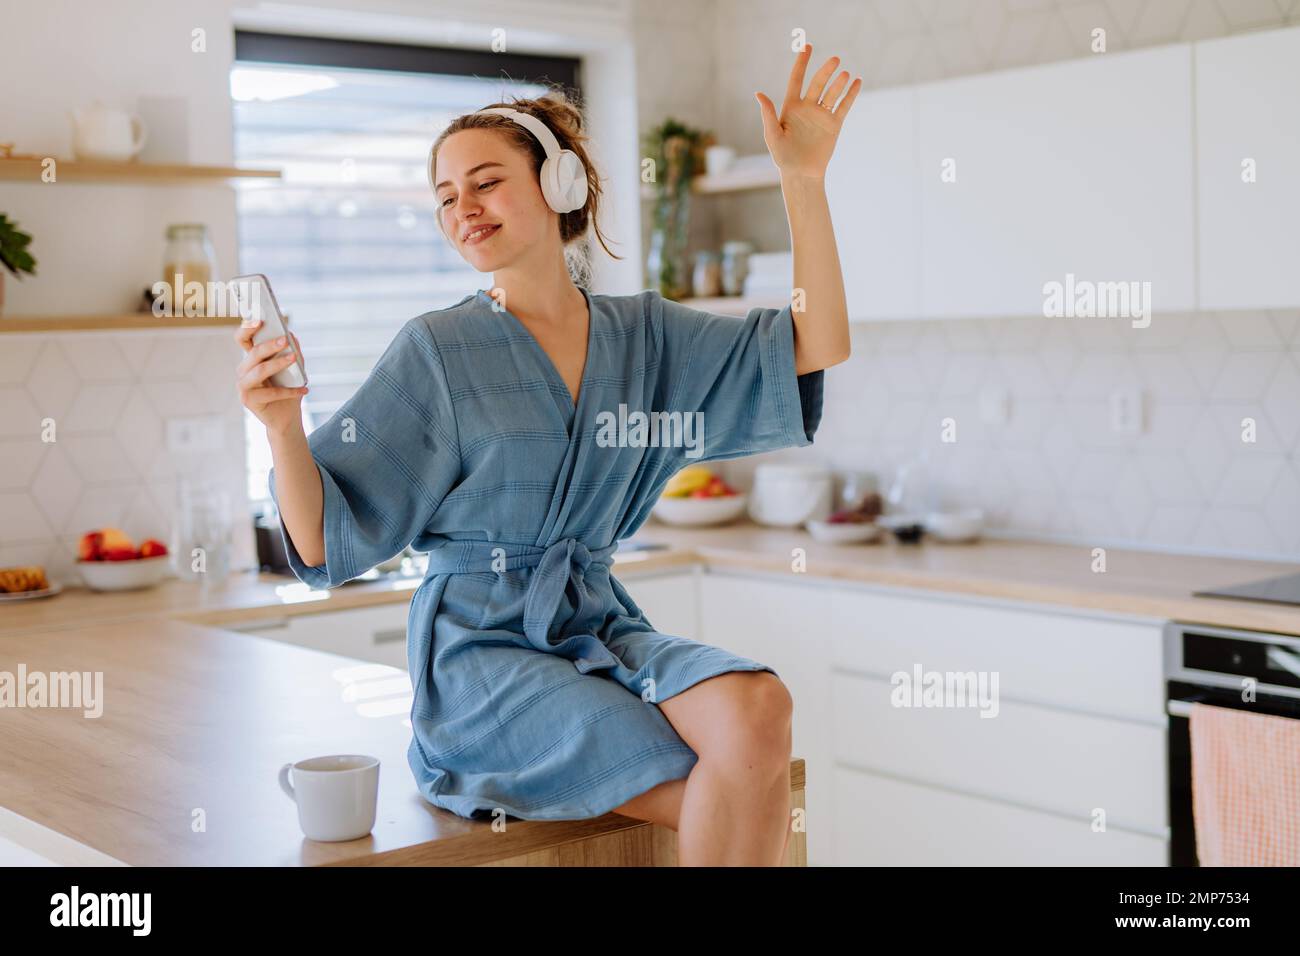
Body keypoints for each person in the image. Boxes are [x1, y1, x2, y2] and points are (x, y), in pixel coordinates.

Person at [235, 44, 859, 866]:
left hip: (595, 627)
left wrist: (802, 183)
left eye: (486, 181)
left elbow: (818, 342)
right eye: (445, 196)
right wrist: (281, 425)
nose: (464, 208)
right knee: (721, 776)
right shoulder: (436, 350)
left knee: (758, 708)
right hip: (480, 657)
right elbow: (321, 547)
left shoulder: (649, 337)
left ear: (559, 183)